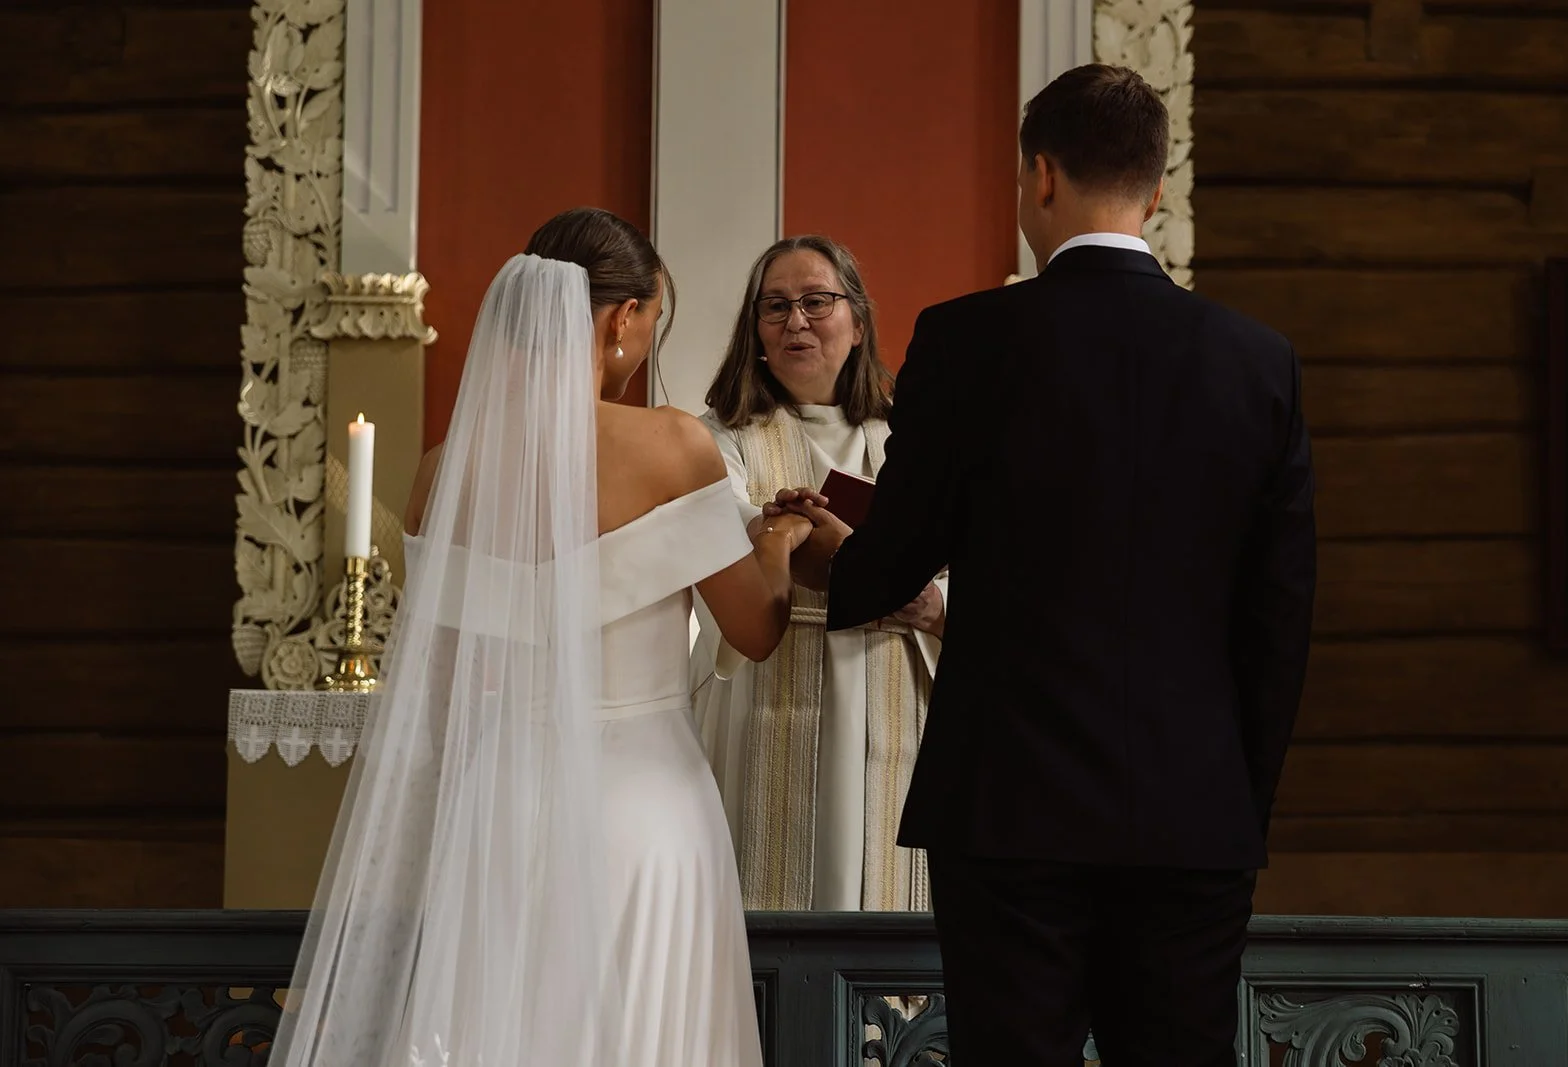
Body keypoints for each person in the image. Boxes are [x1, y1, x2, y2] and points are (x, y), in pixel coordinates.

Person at [775, 65, 1317, 1066]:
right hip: (1195, 810)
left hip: (1009, 801)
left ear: (1039, 174)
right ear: (1157, 189)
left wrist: (819, 556)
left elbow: (889, 563)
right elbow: (1278, 615)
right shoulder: (1256, 361)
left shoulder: (968, 341)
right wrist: (1236, 799)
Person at [268, 207, 810, 1067]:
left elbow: (438, 682)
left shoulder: (444, 469)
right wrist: (774, 547)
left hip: (503, 800)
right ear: (623, 317)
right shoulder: (672, 443)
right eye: (650, 318)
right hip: (643, 805)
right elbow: (753, 630)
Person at [691, 235, 944, 912]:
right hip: (769, 687)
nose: (795, 321)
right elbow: (719, 526)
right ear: (755, 331)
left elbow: (975, 556)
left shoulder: (913, 437)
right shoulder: (721, 434)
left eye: (816, 301)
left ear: (858, 323)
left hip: (895, 679)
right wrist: (775, 527)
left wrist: (930, 602)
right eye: (775, 306)